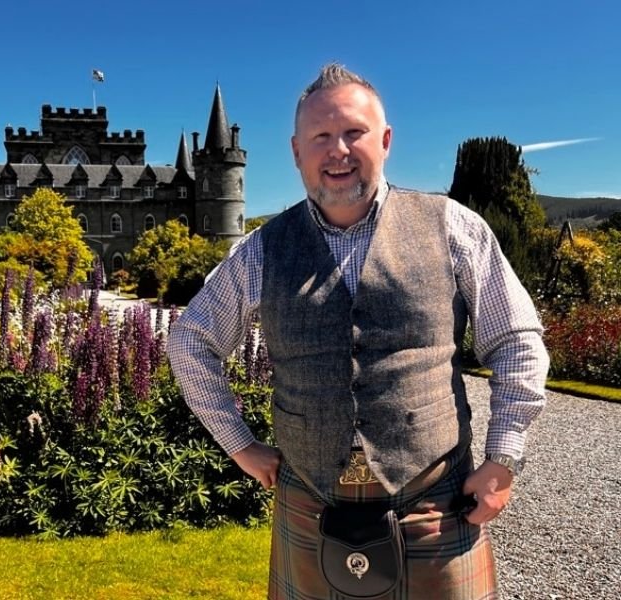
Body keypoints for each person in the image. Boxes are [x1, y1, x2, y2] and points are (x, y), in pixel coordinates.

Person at [166, 63, 549, 600]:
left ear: (385, 140)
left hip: (436, 504)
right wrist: (240, 446)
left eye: (354, 133)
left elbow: (516, 340)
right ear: (297, 152)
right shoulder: (261, 250)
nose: (338, 150)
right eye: (321, 136)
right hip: (310, 503)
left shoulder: (452, 226)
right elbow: (190, 342)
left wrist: (503, 456)